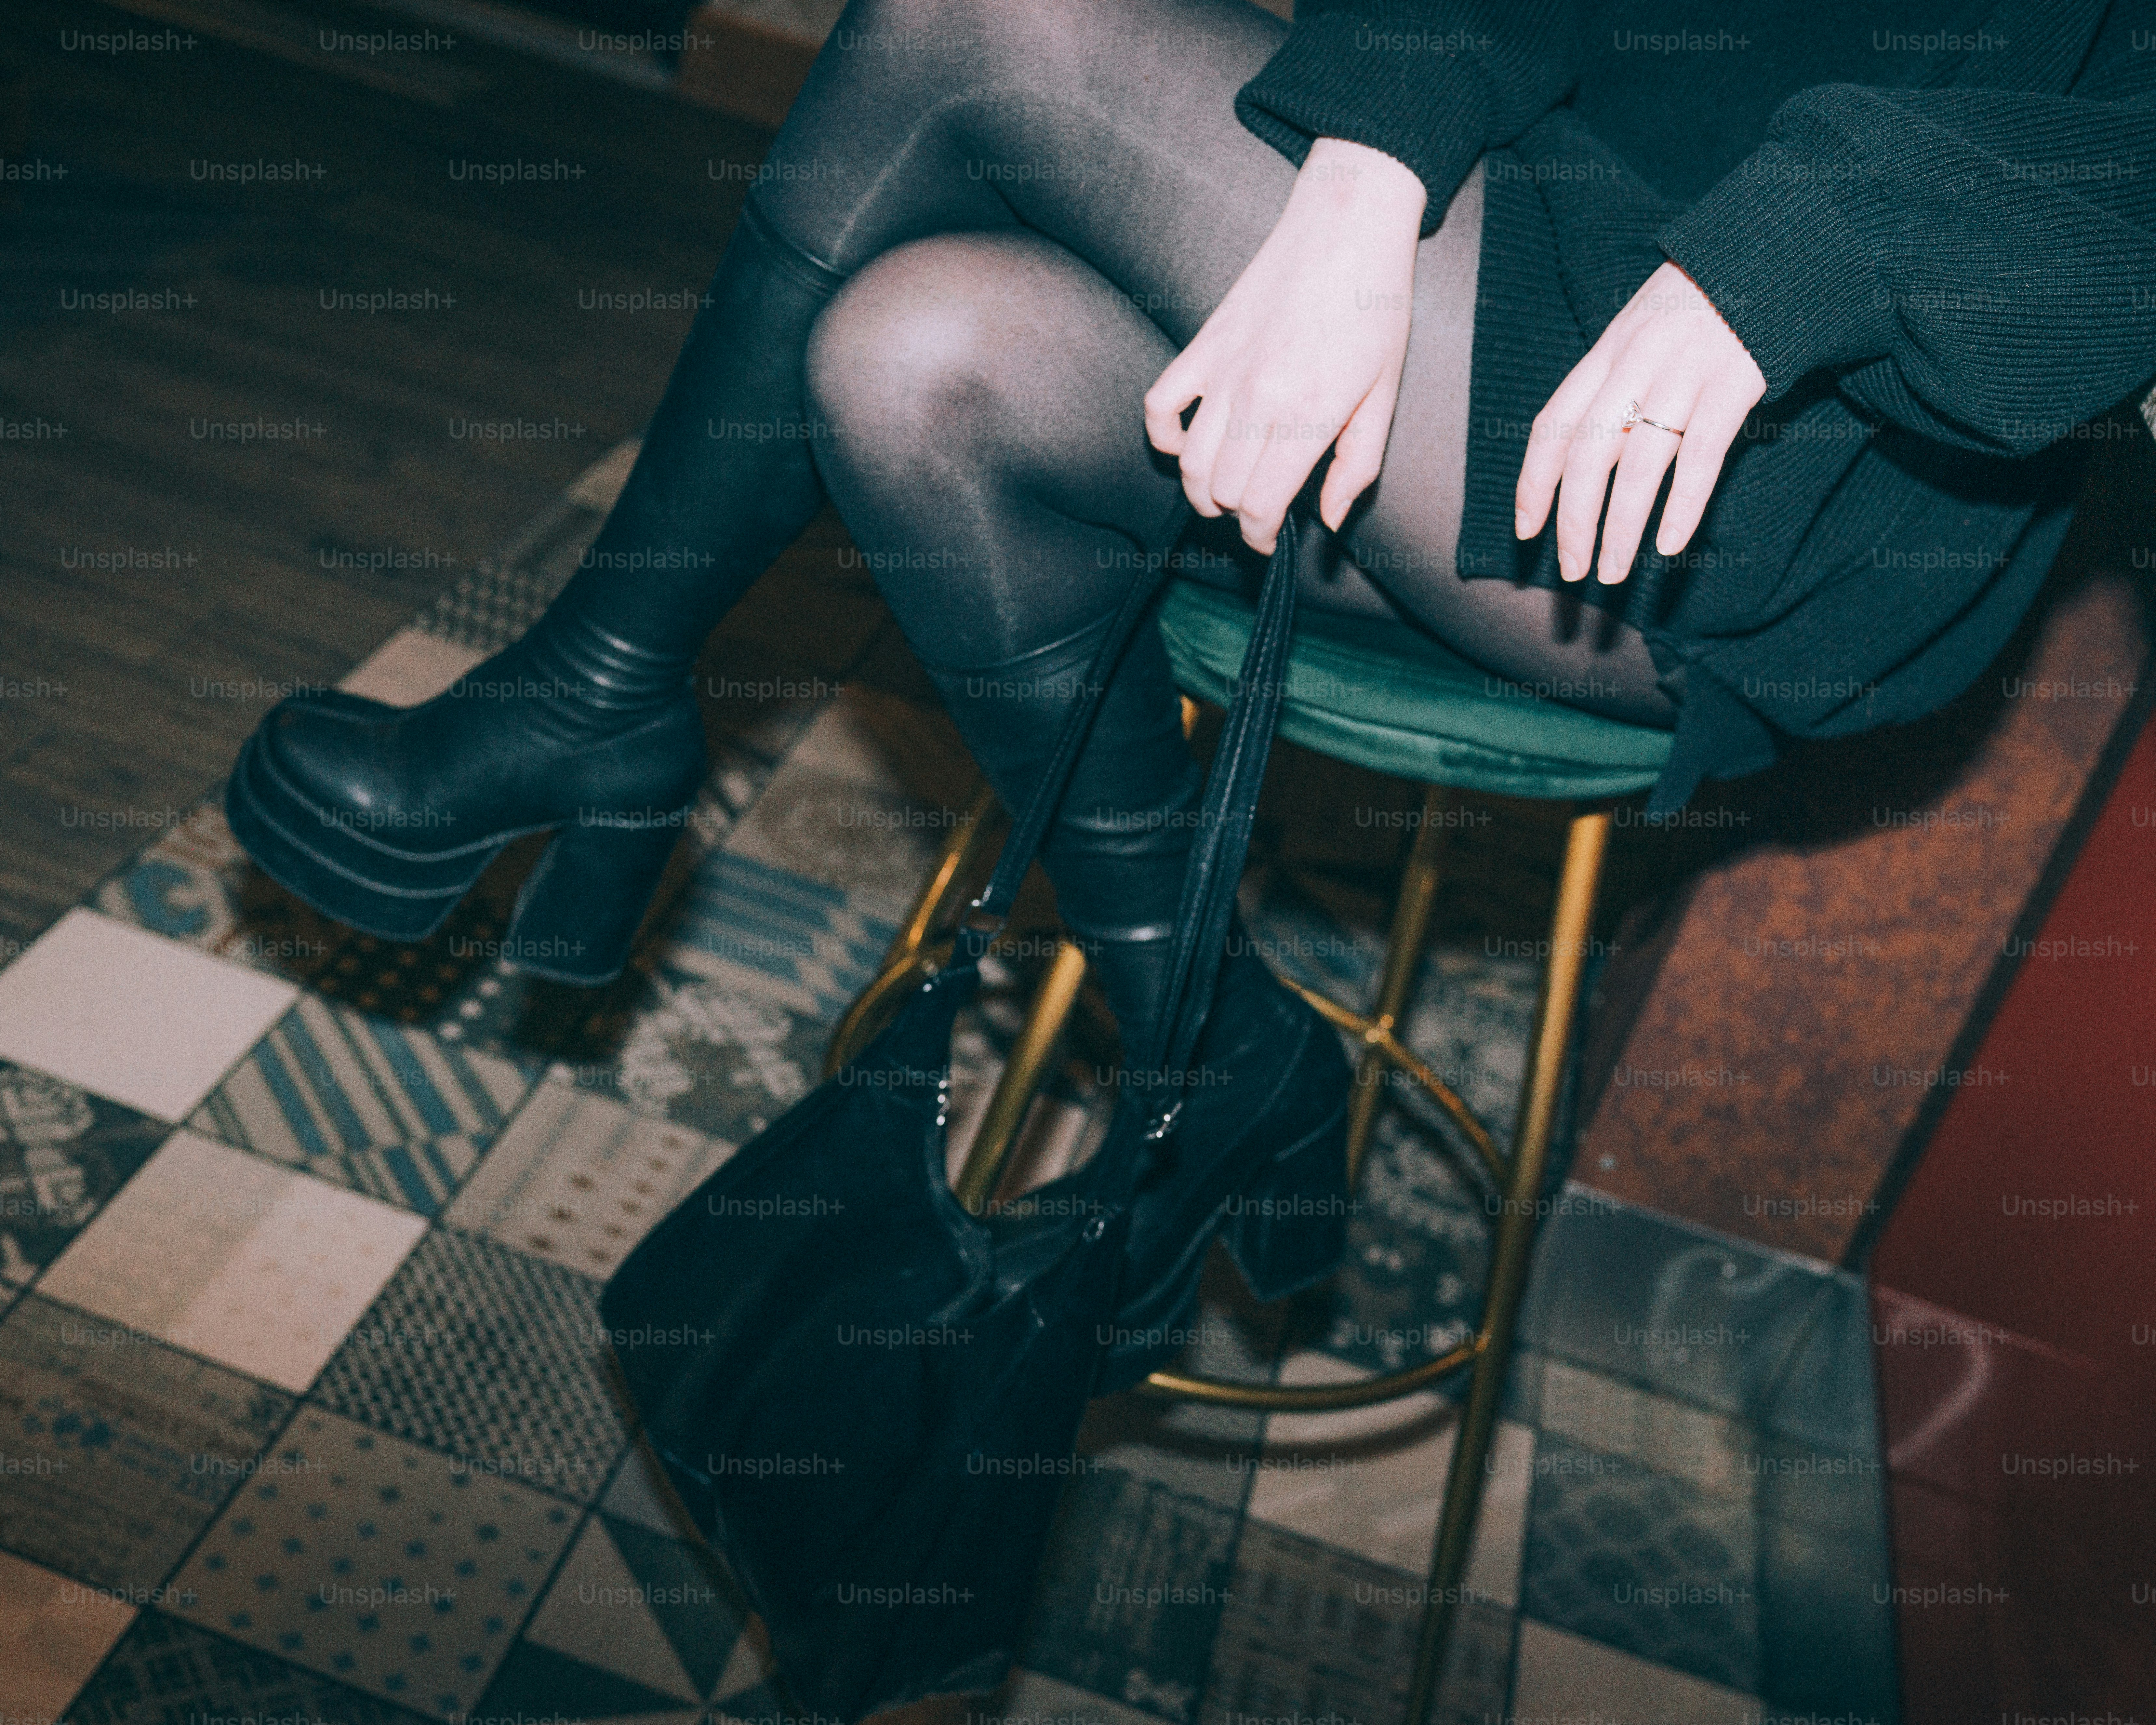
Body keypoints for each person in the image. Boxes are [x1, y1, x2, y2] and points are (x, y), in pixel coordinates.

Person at [225, 0, 2156, 1353]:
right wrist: (1364, 173)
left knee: (986, 17)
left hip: (1794, 445)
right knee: (908, 364)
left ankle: (599, 692)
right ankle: (1219, 1032)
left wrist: (1816, 245)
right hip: (1540, 222)